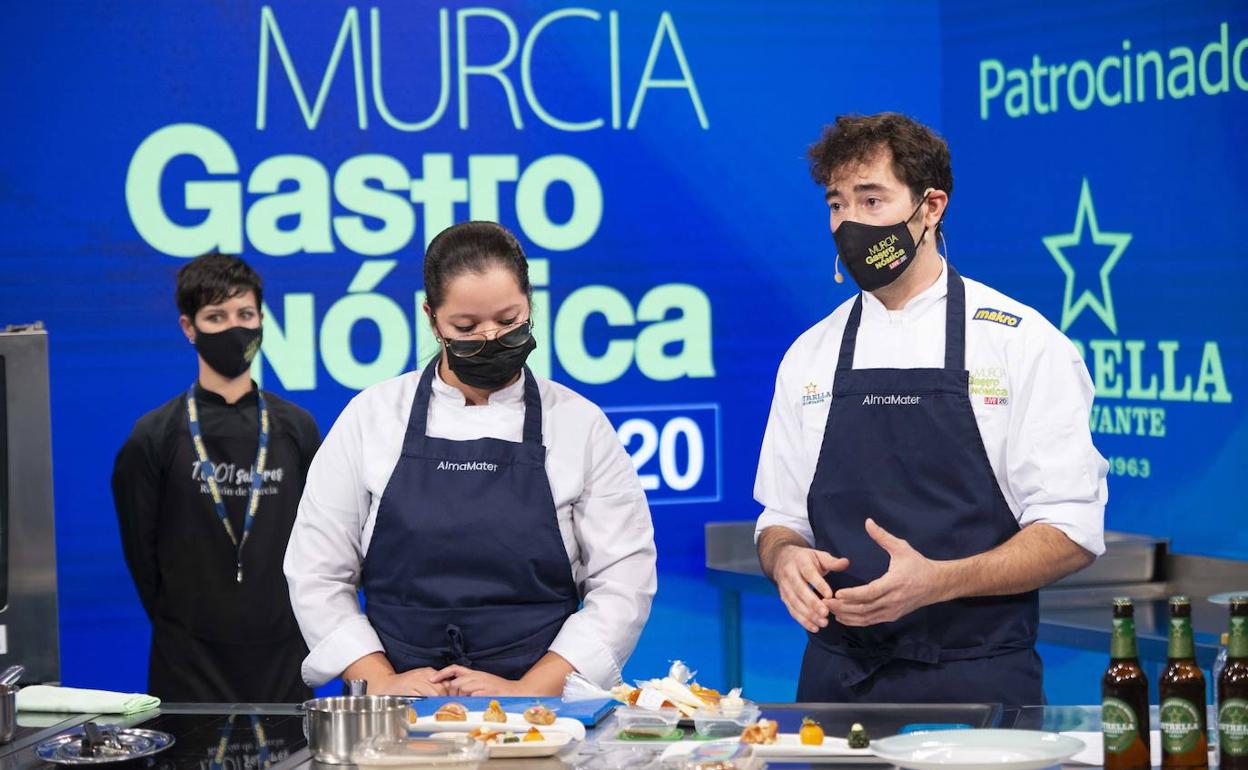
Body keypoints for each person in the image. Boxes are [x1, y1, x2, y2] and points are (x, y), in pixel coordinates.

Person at [754, 112, 1108, 705]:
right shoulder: (810, 355)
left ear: (931, 207)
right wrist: (785, 557)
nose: (849, 223)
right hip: (836, 683)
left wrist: (941, 581)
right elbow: (780, 518)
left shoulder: (1021, 342)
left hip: (978, 680)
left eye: (871, 200)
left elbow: (1071, 531)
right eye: (837, 204)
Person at [285, 220, 657, 696]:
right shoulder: (370, 417)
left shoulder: (579, 424)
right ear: (431, 318)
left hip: (542, 713)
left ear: (530, 304)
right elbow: (316, 571)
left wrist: (529, 691)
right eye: (466, 327)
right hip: (396, 708)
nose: (490, 337)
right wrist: (380, 679)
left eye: (508, 320)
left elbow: (624, 581)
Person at [112, 252, 320, 702]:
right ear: (189, 327)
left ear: (261, 320)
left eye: (245, 314)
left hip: (284, 659)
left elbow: (322, 541)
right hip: (188, 664)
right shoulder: (153, 436)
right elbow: (143, 560)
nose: (234, 328)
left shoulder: (297, 429)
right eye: (216, 316)